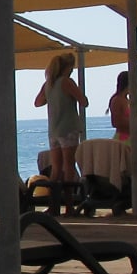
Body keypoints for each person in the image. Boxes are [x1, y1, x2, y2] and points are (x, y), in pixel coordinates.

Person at [33, 54, 87, 186]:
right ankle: (68, 197)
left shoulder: (48, 84)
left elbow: (38, 102)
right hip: (68, 128)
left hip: (53, 130)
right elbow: (84, 102)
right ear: (68, 67)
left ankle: (53, 196)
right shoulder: (67, 82)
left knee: (56, 168)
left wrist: (52, 98)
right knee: (69, 166)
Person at [107, 71, 135, 142]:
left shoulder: (126, 100)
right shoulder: (117, 100)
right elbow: (116, 122)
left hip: (130, 137)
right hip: (123, 138)